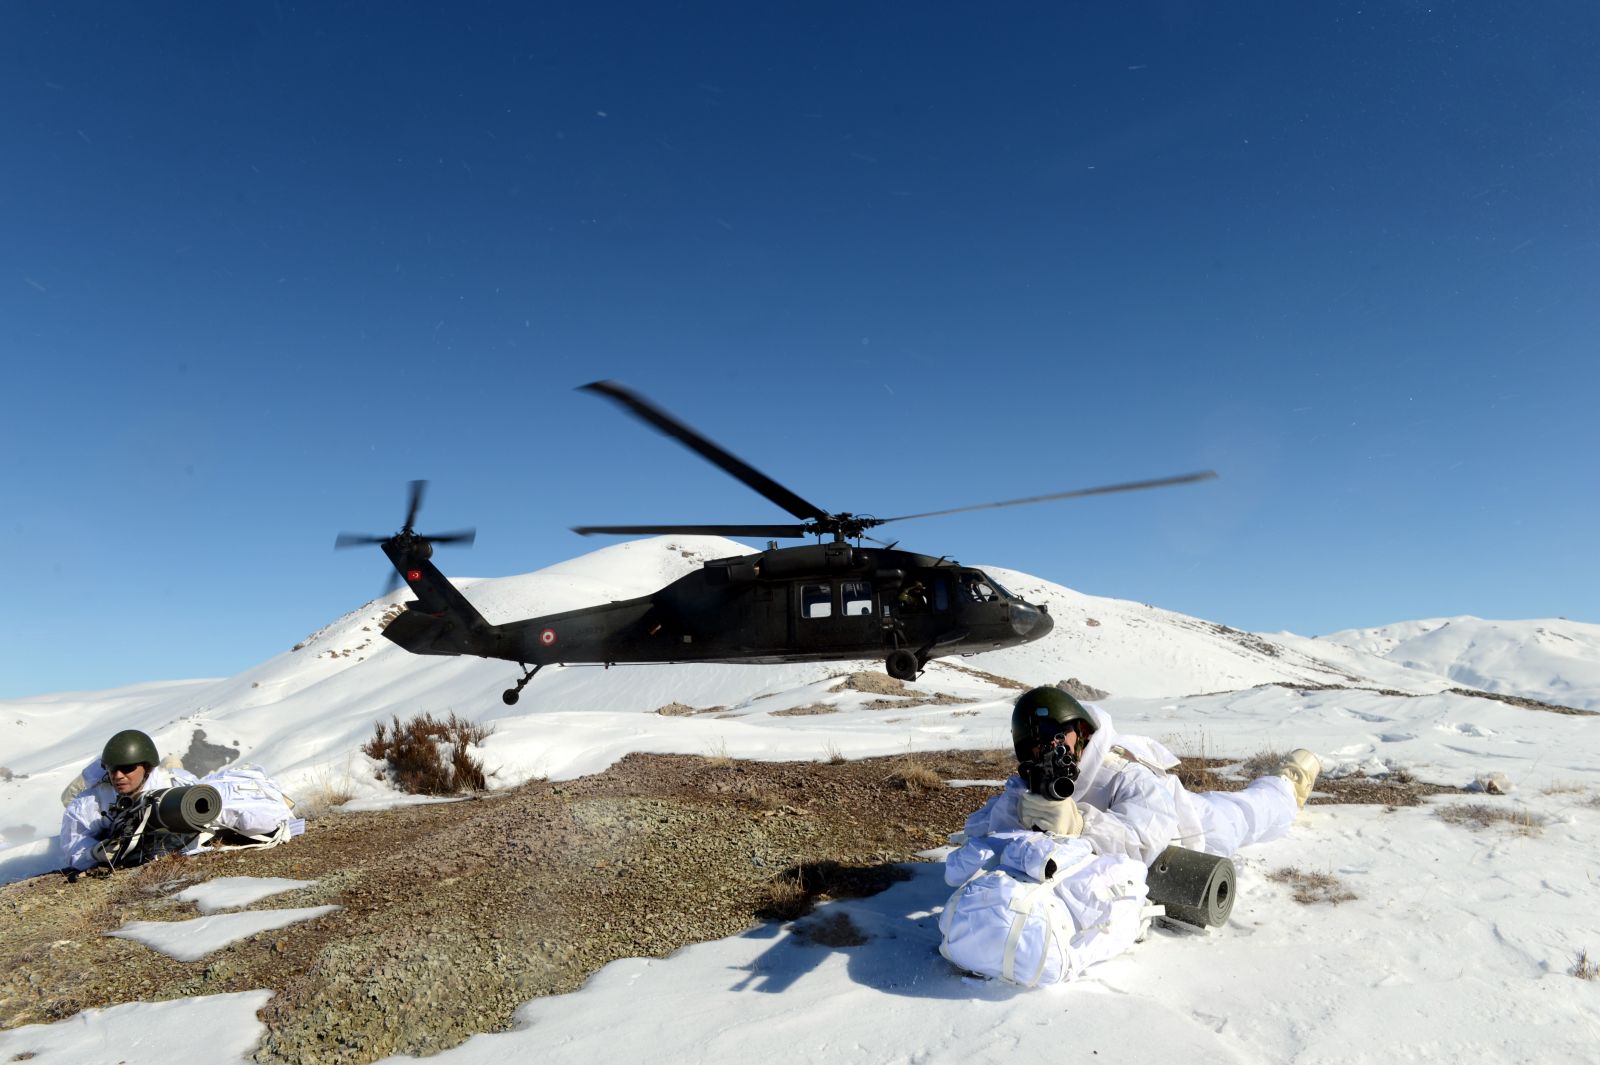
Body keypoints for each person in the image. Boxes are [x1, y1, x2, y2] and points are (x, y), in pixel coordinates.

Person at [964, 686, 1321, 866]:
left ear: (1081, 730)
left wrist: (1081, 826)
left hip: (1191, 828)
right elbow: (981, 829)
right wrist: (1019, 809)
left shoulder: (1121, 772)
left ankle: (1288, 783)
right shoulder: (1030, 782)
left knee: (1251, 813)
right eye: (1037, 742)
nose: (1049, 748)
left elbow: (1145, 839)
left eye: (1058, 735)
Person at [59, 729, 199, 871]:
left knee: (172, 767)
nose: (118, 776)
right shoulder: (93, 800)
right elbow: (73, 844)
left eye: (127, 768)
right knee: (68, 798)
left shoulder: (177, 784)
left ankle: (170, 764)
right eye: (112, 769)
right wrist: (94, 853)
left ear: (147, 767)